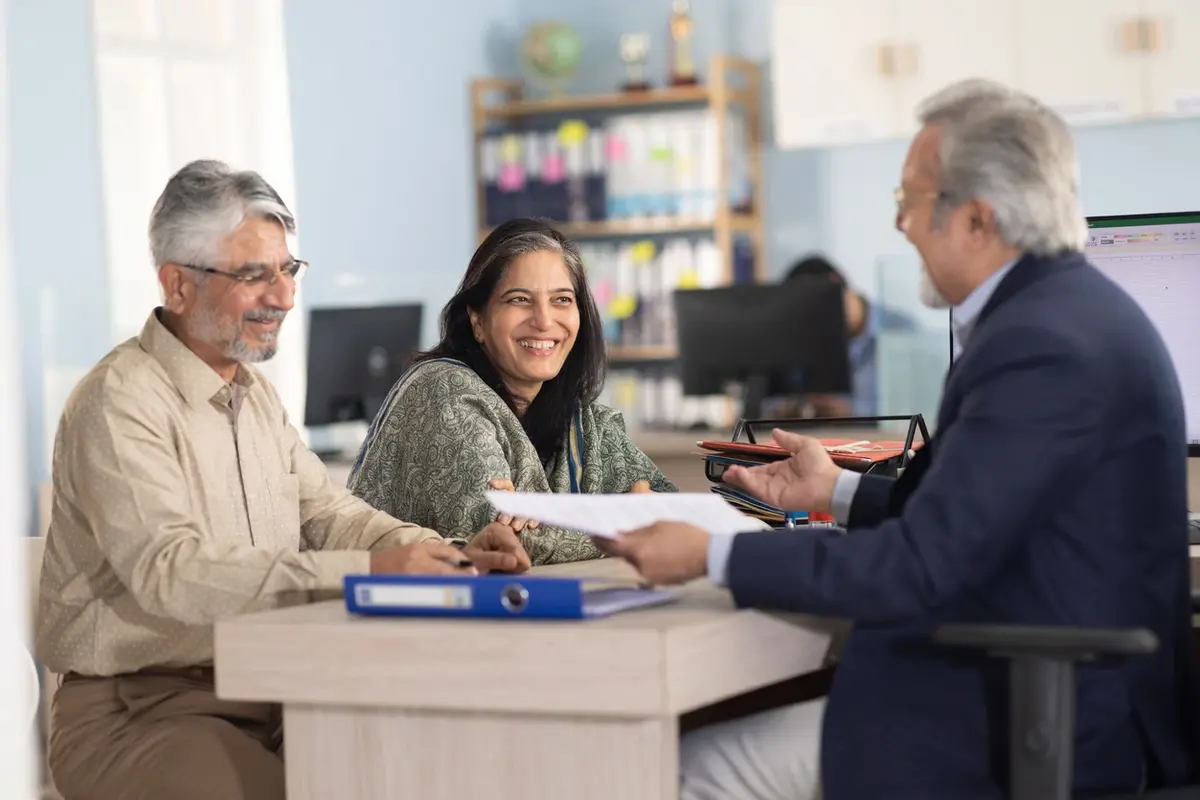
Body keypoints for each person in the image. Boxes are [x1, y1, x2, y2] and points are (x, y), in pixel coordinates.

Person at [599, 79, 1200, 798]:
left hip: (1027, 722)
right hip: (1045, 693)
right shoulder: (1066, 312)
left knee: (681, 772)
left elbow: (920, 568)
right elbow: (977, 516)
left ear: (976, 219)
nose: (900, 226)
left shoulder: (1040, 344)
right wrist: (835, 490)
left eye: (909, 202)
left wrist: (711, 553)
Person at [36, 160, 530, 800]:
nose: (284, 296)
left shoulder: (253, 396)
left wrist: (450, 553)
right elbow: (171, 572)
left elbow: (330, 516)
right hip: (139, 713)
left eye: (287, 269)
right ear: (177, 285)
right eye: (254, 274)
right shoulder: (118, 401)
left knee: (431, 764)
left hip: (275, 685)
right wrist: (372, 573)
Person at [347, 218, 675, 566]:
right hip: (395, 617)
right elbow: (502, 543)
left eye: (561, 300)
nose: (545, 321)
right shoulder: (443, 390)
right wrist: (623, 518)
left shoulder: (579, 420)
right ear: (477, 320)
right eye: (520, 299)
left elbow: (670, 510)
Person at [773, 255, 914, 418]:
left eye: (816, 309)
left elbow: (913, 407)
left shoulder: (902, 333)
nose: (816, 322)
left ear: (836, 286)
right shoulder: (812, 339)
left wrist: (850, 411)